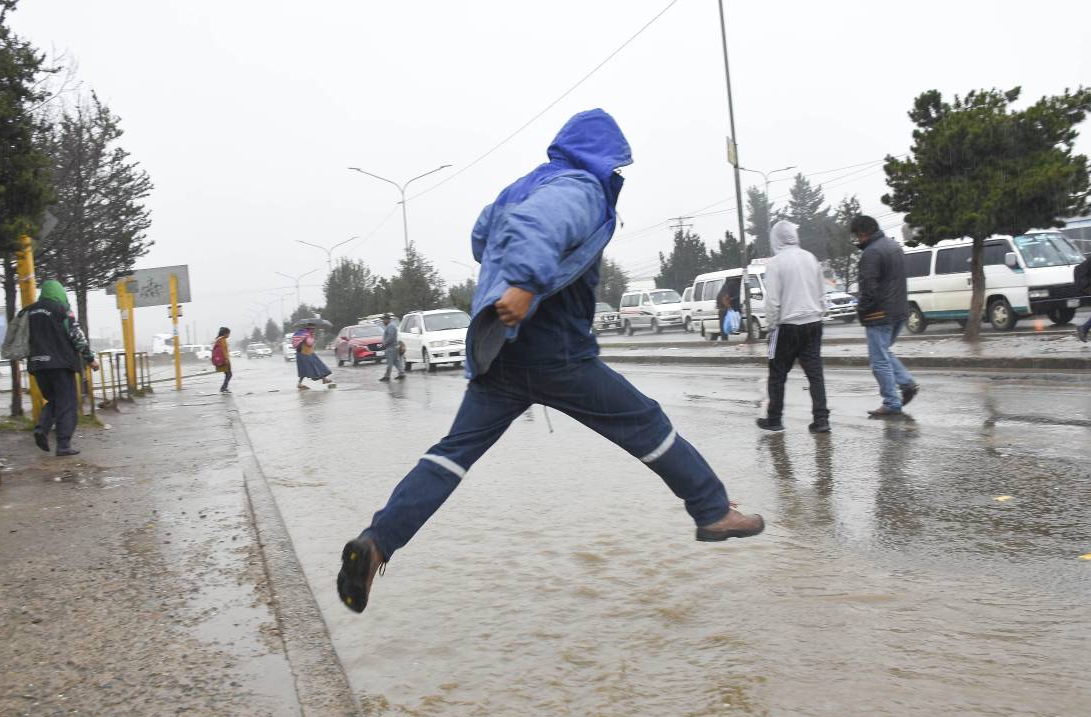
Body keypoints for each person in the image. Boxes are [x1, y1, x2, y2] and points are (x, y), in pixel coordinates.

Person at [336, 109, 764, 615]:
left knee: (451, 455)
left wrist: (514, 276)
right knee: (646, 422)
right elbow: (535, 224)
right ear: (602, 156)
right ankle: (712, 510)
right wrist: (526, 282)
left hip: (501, 354)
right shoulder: (579, 187)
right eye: (616, 164)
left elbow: (483, 234)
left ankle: (378, 542)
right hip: (556, 350)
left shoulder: (524, 185)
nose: (616, 174)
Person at [758, 221, 830, 433]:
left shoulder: (776, 263)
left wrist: (771, 327)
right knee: (815, 373)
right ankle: (821, 419)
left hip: (786, 326)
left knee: (777, 373)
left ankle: (775, 419)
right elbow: (822, 291)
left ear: (775, 239)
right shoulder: (810, 258)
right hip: (813, 323)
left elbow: (772, 300)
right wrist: (820, 313)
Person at [851, 215, 918, 416]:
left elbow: (868, 289)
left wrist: (861, 310)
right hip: (898, 311)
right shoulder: (893, 246)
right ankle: (906, 383)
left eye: (856, 236)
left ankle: (891, 402)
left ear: (863, 233)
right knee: (884, 352)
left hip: (878, 314)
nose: (857, 240)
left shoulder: (871, 253)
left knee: (879, 360)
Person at [23, 280, 97, 456]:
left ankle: (42, 428)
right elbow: (76, 336)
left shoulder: (29, 311)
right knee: (67, 403)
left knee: (54, 400)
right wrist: (90, 358)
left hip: (37, 365)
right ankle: (63, 445)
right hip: (61, 365)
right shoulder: (62, 310)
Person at [292, 323, 332, 389]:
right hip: (304, 354)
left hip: (308, 353)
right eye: (312, 329)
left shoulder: (304, 333)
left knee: (318, 365)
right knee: (307, 369)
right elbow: (309, 343)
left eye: (314, 329)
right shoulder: (307, 334)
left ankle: (324, 379)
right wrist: (312, 337)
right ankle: (299, 383)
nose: (313, 330)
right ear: (309, 328)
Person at [378, 313, 405, 382]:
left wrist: (385, 343)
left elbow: (391, 337)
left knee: (389, 363)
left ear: (387, 319)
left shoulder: (391, 327)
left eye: (384, 320)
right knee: (396, 362)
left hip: (391, 347)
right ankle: (401, 373)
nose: (383, 321)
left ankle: (387, 376)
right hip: (393, 347)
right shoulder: (391, 326)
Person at [213, 327, 233, 393]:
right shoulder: (222, 340)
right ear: (225, 334)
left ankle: (224, 388)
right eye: (228, 333)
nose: (229, 335)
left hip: (225, 359)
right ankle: (223, 388)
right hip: (225, 360)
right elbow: (223, 350)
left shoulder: (219, 339)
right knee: (229, 374)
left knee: (228, 374)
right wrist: (226, 359)